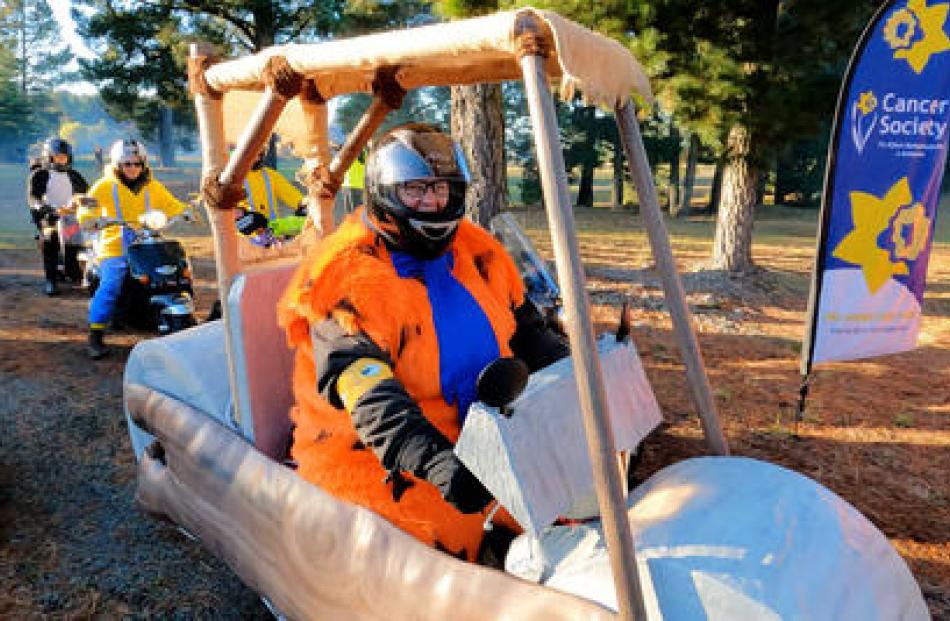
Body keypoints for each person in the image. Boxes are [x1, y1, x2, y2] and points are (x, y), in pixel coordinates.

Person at [278, 124, 568, 563]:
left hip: (483, 432)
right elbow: (368, 394)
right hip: (374, 453)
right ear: (383, 191)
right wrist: (436, 462)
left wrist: (577, 384)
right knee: (445, 541)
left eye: (442, 189)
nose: (432, 202)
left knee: (565, 499)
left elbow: (529, 331)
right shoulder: (345, 274)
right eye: (415, 189)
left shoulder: (476, 249)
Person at [78, 139, 188, 359]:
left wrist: (185, 211)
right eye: (127, 163)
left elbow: (172, 204)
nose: (133, 168)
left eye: (137, 163)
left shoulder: (152, 186)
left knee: (176, 271)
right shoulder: (104, 185)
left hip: (147, 242)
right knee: (111, 284)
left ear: (144, 164)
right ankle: (95, 334)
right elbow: (86, 206)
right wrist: (91, 219)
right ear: (118, 164)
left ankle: (181, 316)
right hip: (115, 245)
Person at [26, 138, 90, 295]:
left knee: (87, 238)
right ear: (49, 156)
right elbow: (34, 199)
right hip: (49, 220)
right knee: (51, 237)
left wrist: (82, 203)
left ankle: (78, 272)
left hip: (73, 220)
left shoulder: (74, 175)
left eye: (64, 156)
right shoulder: (39, 175)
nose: (62, 159)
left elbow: (89, 194)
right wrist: (50, 210)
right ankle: (51, 280)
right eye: (58, 156)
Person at [233, 148, 306, 245]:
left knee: (304, 221)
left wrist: (305, 206)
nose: (257, 158)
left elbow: (293, 195)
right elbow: (229, 210)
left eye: (260, 154)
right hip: (245, 241)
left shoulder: (270, 175)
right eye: (252, 153)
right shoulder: (234, 178)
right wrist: (240, 213)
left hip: (273, 235)